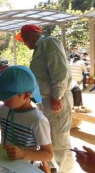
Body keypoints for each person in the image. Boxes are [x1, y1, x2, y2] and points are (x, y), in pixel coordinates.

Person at [15, 24, 74, 173]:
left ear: (29, 35)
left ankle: (66, 171)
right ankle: (54, 169)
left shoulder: (49, 43)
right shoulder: (39, 49)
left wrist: (57, 96)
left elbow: (60, 71)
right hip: (47, 101)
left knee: (60, 142)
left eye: (23, 39)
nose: (23, 42)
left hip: (55, 100)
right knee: (49, 142)